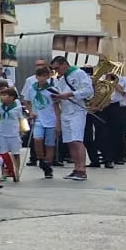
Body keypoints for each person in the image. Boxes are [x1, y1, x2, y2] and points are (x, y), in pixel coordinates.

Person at [47, 53, 94, 182]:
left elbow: (88, 91)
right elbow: (59, 92)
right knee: (69, 141)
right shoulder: (60, 79)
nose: (56, 71)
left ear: (65, 65)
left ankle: (82, 169)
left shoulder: (79, 73)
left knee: (77, 140)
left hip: (77, 110)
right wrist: (56, 95)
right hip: (65, 111)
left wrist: (70, 94)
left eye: (57, 68)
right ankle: (76, 168)